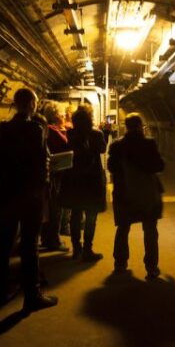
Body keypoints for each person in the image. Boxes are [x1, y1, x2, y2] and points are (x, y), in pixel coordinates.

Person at [0, 88, 58, 311]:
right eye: (35, 103)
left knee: (4, 243)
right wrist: (44, 187)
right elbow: (40, 164)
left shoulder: (3, 130)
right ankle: (32, 295)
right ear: (29, 104)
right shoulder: (35, 129)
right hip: (30, 197)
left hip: (8, 196)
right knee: (29, 244)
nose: (36, 107)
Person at [107, 113, 165, 279]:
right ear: (140, 126)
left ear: (126, 126)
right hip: (147, 194)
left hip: (124, 194)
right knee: (150, 230)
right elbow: (159, 166)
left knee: (123, 229)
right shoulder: (149, 144)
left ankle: (120, 264)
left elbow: (112, 168)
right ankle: (151, 267)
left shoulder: (117, 146)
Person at [59, 105, 107, 261]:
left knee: (75, 215)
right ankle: (88, 249)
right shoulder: (96, 134)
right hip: (92, 181)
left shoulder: (70, 134)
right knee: (91, 217)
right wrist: (104, 131)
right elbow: (102, 149)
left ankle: (76, 248)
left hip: (74, 180)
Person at [39, 102, 69, 252]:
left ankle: (48, 238)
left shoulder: (51, 129)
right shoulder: (52, 130)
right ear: (55, 116)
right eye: (63, 114)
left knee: (51, 209)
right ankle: (53, 240)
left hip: (53, 174)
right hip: (54, 175)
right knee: (54, 209)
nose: (65, 117)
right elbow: (66, 145)